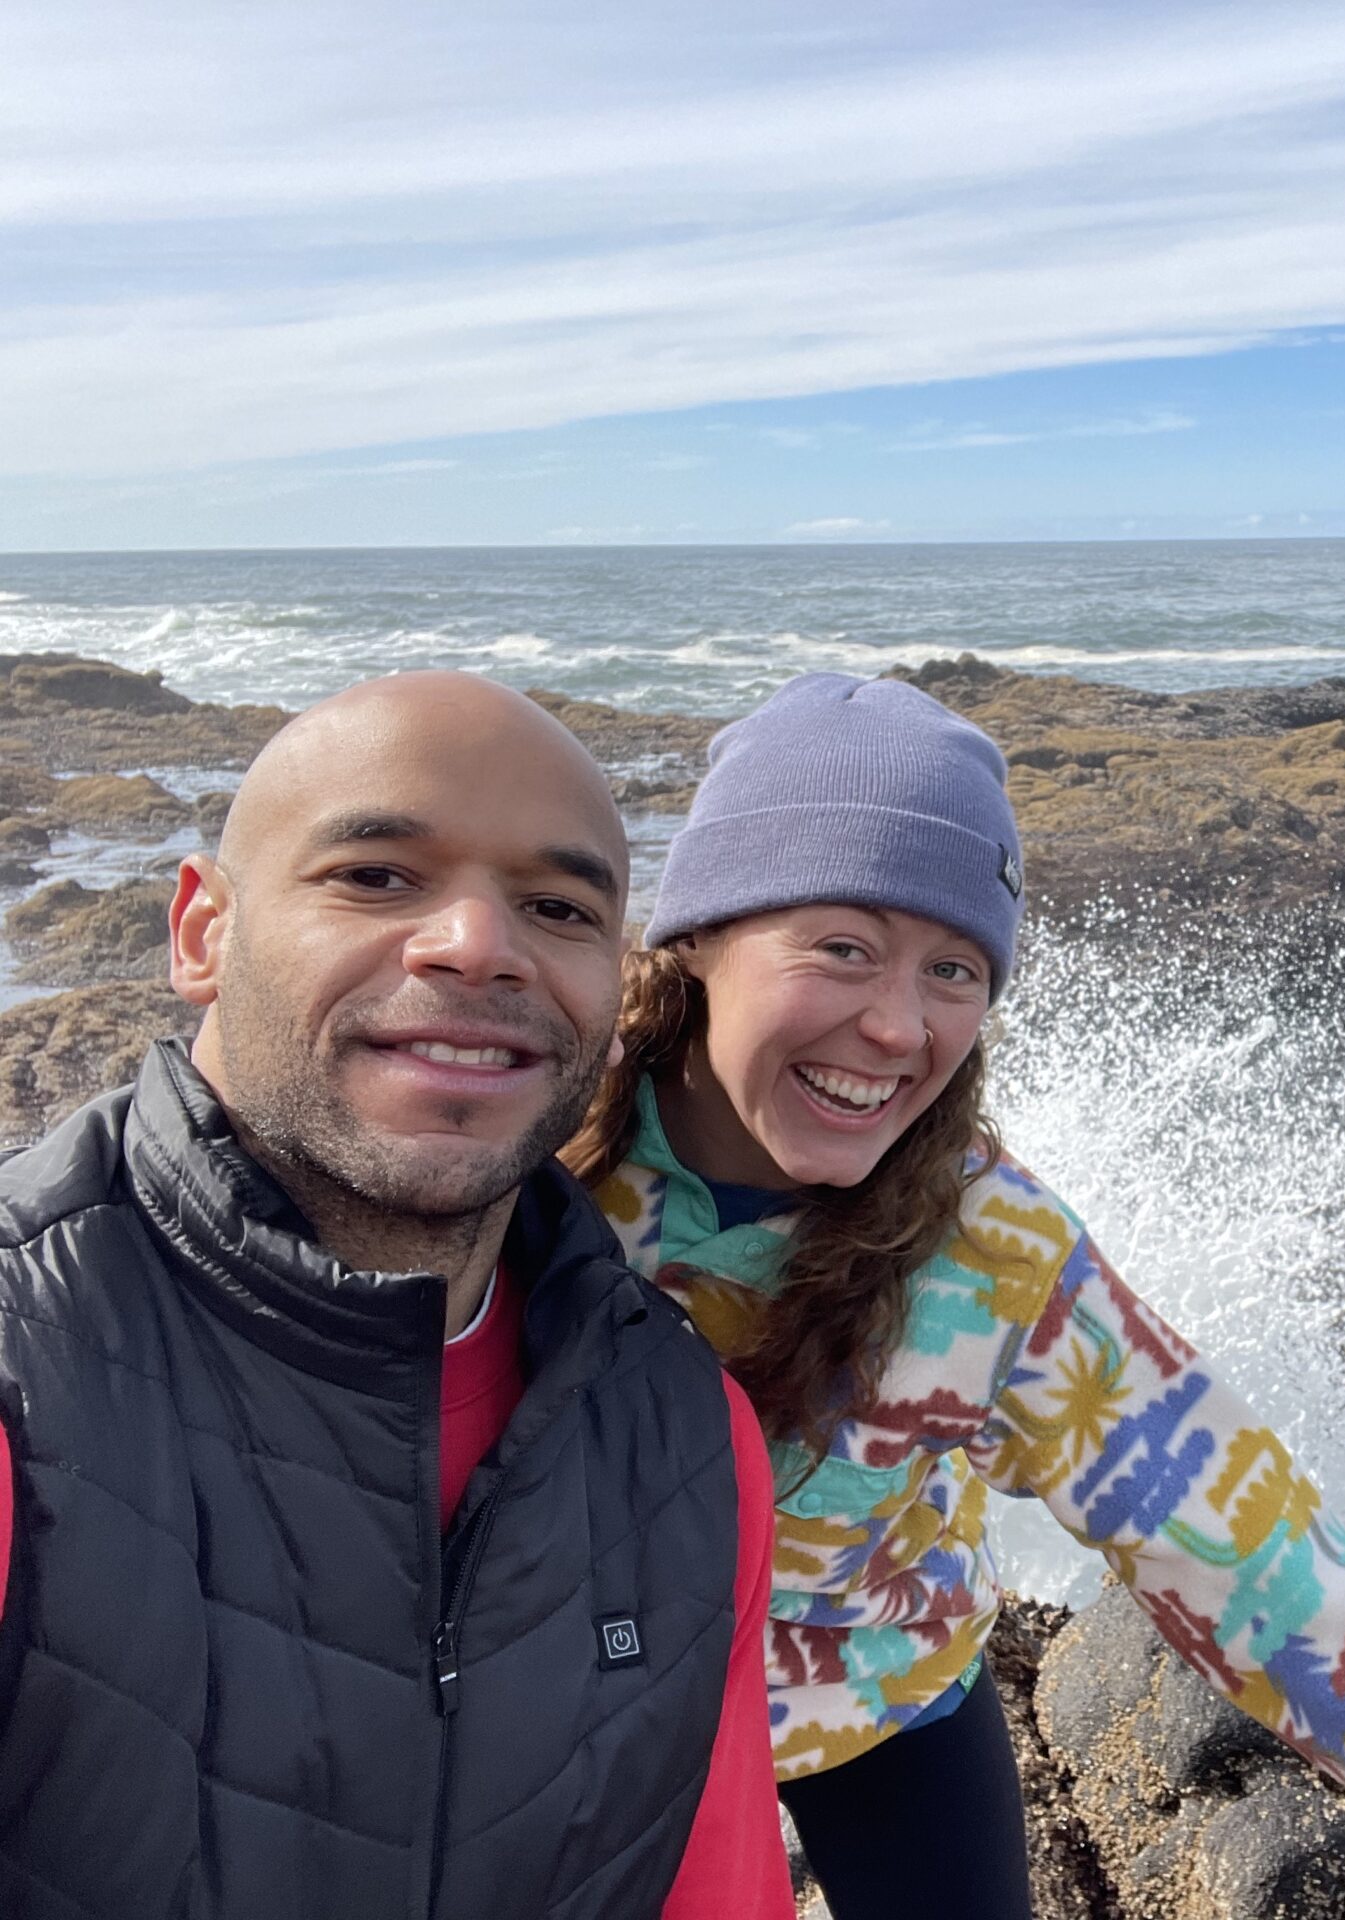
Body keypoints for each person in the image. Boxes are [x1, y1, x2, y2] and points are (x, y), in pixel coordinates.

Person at [567, 673, 1345, 1920]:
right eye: (841, 948)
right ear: (703, 935)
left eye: (954, 968)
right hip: (568, 1713)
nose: (897, 1027)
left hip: (880, 1685)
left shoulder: (994, 1261)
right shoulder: (527, 1149)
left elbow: (1258, 1568)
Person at [0, 674, 794, 1920]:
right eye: (376, 876)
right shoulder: (23, 1378)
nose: (478, 944)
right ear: (203, 932)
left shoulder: (686, 1435)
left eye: (557, 905)